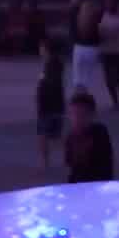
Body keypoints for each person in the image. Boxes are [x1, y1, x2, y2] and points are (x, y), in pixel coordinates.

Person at [64, 91, 114, 183]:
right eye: (73, 114)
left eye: (81, 115)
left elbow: (103, 166)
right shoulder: (71, 136)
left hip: (96, 185)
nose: (76, 119)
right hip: (78, 185)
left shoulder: (100, 132)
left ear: (91, 115)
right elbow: (71, 165)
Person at [36, 39, 66, 171]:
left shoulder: (51, 65)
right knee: (54, 135)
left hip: (48, 105)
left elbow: (50, 85)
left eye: (42, 48)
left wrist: (41, 97)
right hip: (55, 104)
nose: (40, 51)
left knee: (43, 134)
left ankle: (45, 162)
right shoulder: (54, 64)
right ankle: (67, 157)